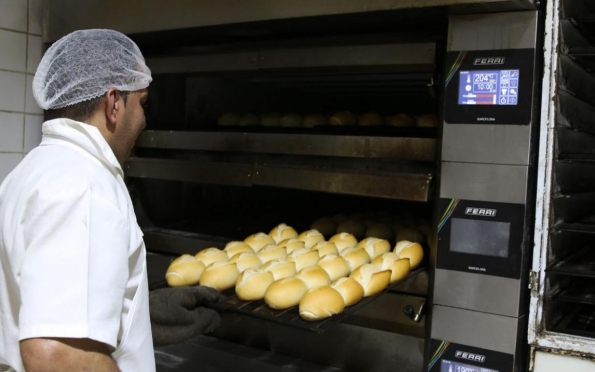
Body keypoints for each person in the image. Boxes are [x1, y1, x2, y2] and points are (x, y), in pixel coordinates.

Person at [0, 29, 220, 372]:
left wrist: (132, 315)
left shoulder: (31, 171)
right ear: (113, 103)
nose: (145, 120)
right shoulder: (85, 186)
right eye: (142, 103)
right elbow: (54, 353)